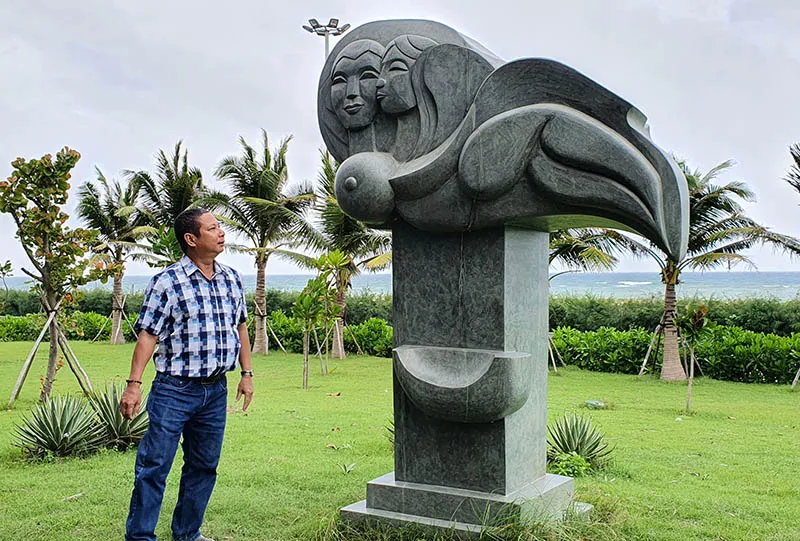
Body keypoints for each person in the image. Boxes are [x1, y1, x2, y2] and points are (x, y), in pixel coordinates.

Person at [119, 208, 253, 541]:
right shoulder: (167, 282)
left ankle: (188, 534)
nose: (221, 232)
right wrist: (134, 385)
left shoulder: (232, 279)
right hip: (174, 390)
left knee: (204, 466)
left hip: (215, 391)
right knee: (154, 466)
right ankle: (140, 537)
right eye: (212, 228)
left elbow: (240, 327)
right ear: (191, 239)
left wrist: (247, 373)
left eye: (220, 226)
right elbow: (147, 336)